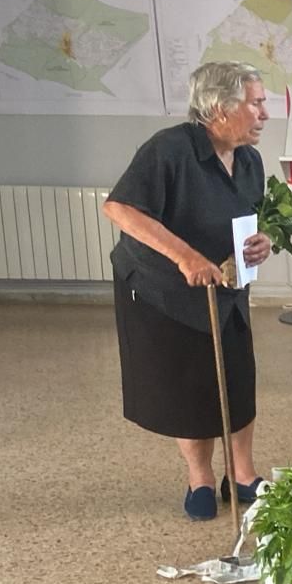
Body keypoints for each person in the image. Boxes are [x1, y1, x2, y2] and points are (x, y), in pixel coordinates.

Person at [102, 61, 274, 521]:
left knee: (238, 378)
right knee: (189, 387)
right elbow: (120, 208)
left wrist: (263, 241)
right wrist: (185, 256)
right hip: (164, 292)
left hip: (227, 287)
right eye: (255, 103)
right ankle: (199, 479)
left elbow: (251, 215)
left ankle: (242, 475)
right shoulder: (170, 150)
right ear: (220, 108)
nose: (265, 113)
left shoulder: (249, 159)